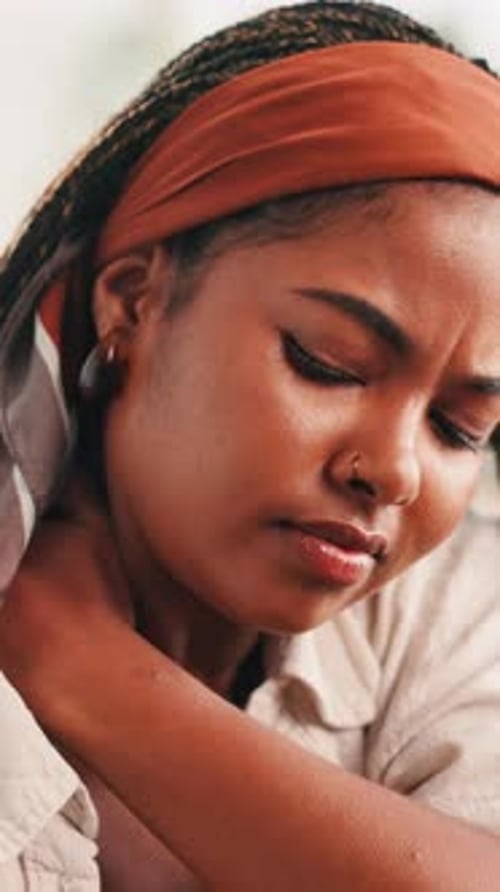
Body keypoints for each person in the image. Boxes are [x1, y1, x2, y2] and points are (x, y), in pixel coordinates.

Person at [0, 1, 499, 889]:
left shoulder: (460, 603)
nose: (392, 471)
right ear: (133, 302)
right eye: (327, 362)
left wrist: (83, 668)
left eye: (460, 426)